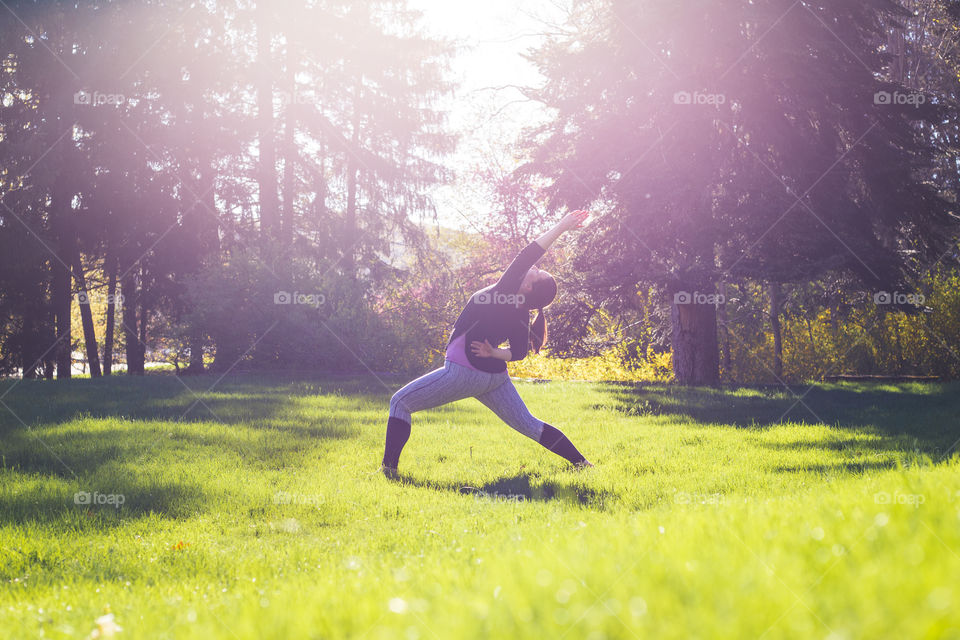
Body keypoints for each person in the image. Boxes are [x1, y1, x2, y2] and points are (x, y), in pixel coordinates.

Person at [379, 210, 594, 479]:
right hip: (494, 379)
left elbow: (529, 253)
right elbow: (518, 353)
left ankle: (388, 471)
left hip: (462, 371)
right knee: (530, 425)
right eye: (538, 267)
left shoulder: (505, 291)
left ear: (528, 287)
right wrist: (494, 353)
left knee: (399, 402)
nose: (535, 267)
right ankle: (582, 464)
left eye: (537, 271)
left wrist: (562, 226)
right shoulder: (521, 311)